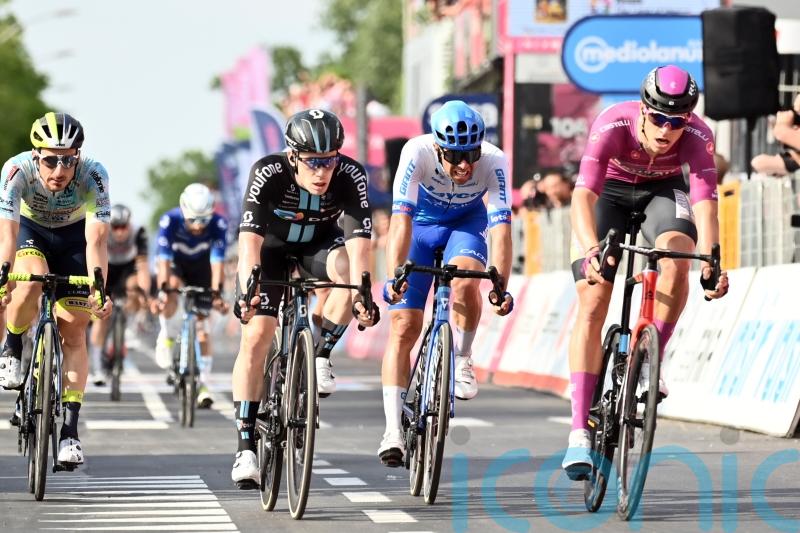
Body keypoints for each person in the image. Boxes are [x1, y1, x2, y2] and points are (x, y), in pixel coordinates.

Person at [562, 65, 730, 480]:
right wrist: (590, 251)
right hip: (610, 194)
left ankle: (650, 360)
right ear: (642, 110)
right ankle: (578, 432)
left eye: (677, 121)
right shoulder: (611, 124)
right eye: (657, 117)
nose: (666, 129)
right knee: (595, 295)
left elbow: (706, 199)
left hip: (662, 191)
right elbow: (583, 194)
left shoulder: (698, 136)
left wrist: (713, 259)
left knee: (677, 258)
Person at [231, 108, 379, 488]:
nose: (321, 172)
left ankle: (319, 355)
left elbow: (362, 242)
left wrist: (364, 293)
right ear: (293, 155)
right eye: (312, 162)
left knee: (348, 275)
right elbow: (249, 242)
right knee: (257, 336)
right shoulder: (268, 172)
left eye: (329, 161)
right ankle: (246, 444)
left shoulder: (350, 175)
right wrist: (247, 288)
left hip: (319, 247)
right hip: (271, 251)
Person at [378, 100, 514, 467]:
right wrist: (395, 274)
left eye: (470, 154)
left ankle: (464, 357)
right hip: (419, 227)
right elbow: (400, 221)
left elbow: (501, 227)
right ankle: (392, 430)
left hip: (465, 227)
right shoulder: (416, 152)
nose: (464, 165)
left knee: (466, 280)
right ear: (437, 147)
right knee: (404, 326)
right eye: (454, 156)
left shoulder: (495, 160)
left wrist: (501, 284)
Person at [0, 112, 113, 466]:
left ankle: (70, 432)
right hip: (30, 230)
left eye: (68, 160)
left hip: (74, 239)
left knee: (75, 329)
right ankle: (14, 345)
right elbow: (7, 233)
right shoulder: (16, 171)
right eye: (50, 160)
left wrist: (99, 289)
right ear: (36, 156)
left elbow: (97, 239)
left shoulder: (94, 175)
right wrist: (3, 275)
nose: (59, 170)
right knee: (30, 280)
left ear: (78, 156)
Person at [152, 183, 229, 408]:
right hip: (177, 265)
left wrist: (217, 294)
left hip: (203, 269)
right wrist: (162, 292)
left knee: (203, 329)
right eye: (193, 220)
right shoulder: (170, 220)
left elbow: (218, 264)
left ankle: (204, 384)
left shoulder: (219, 224)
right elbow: (163, 261)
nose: (198, 226)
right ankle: (166, 337)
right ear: (184, 212)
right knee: (171, 290)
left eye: (203, 220)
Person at [88, 204, 151, 385]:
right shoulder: (102, 229)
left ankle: (128, 327)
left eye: (123, 227)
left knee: (135, 287)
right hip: (106, 268)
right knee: (100, 319)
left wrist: (144, 294)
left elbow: (143, 266)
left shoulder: (138, 232)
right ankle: (98, 366)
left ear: (129, 224)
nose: (120, 232)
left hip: (127, 268)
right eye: (115, 227)